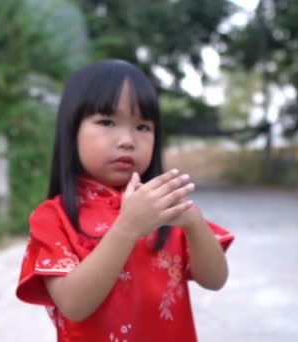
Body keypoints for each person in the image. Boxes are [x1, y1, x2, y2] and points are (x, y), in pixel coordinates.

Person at [16, 59, 234, 341]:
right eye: (107, 122)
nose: (128, 140)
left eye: (143, 127)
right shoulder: (53, 217)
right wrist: (128, 227)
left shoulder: (161, 206)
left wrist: (193, 222)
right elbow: (74, 305)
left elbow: (215, 280)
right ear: (72, 132)